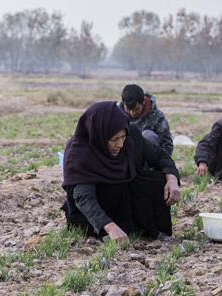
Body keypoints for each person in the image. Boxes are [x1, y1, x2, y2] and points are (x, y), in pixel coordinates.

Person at [62, 101, 181, 241]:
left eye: (123, 137)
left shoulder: (132, 137)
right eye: (114, 139)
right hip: (95, 213)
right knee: (107, 191)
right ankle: (105, 232)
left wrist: (172, 179)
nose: (120, 144)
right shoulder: (79, 151)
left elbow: (160, 157)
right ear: (99, 134)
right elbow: (84, 198)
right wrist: (109, 226)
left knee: (157, 179)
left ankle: (145, 229)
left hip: (124, 202)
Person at [119, 84, 174, 157]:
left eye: (136, 109)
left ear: (144, 102)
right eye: (128, 110)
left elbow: (166, 143)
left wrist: (165, 163)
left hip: (148, 159)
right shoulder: (117, 114)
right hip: (124, 157)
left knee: (148, 135)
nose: (132, 113)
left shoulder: (157, 116)